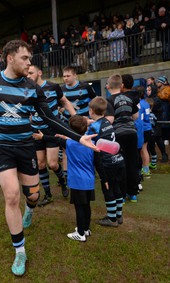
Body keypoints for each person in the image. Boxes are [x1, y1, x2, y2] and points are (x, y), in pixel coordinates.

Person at [0, 40, 96, 276]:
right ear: (10, 57)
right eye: (25, 58)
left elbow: (51, 119)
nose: (29, 63)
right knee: (12, 195)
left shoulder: (34, 88)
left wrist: (77, 136)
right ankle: (20, 251)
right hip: (0, 147)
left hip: (26, 147)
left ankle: (31, 208)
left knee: (32, 195)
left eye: (30, 59)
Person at [33, 115, 97, 241]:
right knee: (86, 206)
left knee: (79, 207)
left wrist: (42, 137)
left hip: (77, 182)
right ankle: (86, 229)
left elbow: (54, 140)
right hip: (89, 181)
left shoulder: (70, 144)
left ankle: (80, 233)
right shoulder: (92, 143)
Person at [27, 65, 76, 206]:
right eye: (27, 73)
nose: (28, 75)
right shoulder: (27, 90)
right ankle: (48, 195)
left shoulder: (53, 87)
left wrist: (76, 118)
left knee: (53, 164)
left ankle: (63, 182)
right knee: (41, 164)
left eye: (31, 73)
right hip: (36, 131)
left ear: (39, 73)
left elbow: (65, 102)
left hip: (51, 130)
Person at [86, 97, 126, 227]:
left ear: (91, 111)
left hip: (106, 162)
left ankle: (111, 218)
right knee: (117, 188)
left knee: (107, 187)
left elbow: (86, 139)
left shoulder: (93, 127)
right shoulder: (107, 122)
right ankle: (119, 216)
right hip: (118, 159)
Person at [105, 74, 139, 202]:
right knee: (132, 162)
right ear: (121, 85)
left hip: (118, 134)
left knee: (120, 163)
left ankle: (122, 194)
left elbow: (110, 119)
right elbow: (135, 116)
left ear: (108, 86)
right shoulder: (129, 99)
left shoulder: (108, 100)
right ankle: (133, 192)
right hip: (132, 133)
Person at [156, 76, 170, 145]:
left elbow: (165, 96)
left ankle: (166, 138)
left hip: (166, 106)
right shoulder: (158, 89)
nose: (157, 83)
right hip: (160, 107)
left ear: (162, 82)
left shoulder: (168, 88)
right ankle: (161, 138)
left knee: (166, 122)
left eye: (158, 82)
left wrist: (159, 94)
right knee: (160, 123)